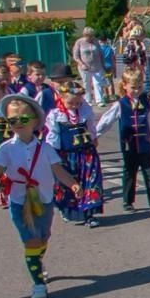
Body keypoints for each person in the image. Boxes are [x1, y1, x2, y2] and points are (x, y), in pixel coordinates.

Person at [0, 93, 79, 298]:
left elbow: (58, 171)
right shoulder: (6, 149)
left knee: (43, 237)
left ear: (34, 121)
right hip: (19, 201)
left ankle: (37, 262)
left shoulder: (46, 148)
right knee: (30, 240)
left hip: (44, 199)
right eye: (12, 121)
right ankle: (38, 284)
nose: (17, 124)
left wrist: (74, 184)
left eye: (22, 119)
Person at [95, 66, 150, 214]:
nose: (137, 90)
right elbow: (106, 121)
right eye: (133, 87)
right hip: (129, 145)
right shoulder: (120, 104)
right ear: (124, 85)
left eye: (139, 87)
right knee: (129, 173)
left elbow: (149, 122)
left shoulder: (146, 102)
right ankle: (128, 201)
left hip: (145, 145)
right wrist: (94, 136)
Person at [45, 64, 104, 227]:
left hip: (87, 153)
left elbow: (91, 126)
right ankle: (69, 210)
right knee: (69, 183)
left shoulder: (85, 110)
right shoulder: (56, 115)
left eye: (78, 102)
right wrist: (53, 153)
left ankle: (90, 213)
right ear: (63, 99)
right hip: (67, 154)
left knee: (90, 182)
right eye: (71, 103)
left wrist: (94, 138)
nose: (75, 106)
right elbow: (53, 135)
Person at [73, 27, 108, 106]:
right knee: (86, 84)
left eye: (92, 36)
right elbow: (76, 56)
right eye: (89, 36)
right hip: (85, 68)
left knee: (98, 83)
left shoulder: (96, 41)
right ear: (85, 35)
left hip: (97, 66)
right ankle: (88, 100)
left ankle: (99, 100)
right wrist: (82, 64)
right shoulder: (79, 42)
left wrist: (103, 65)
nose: (91, 37)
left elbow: (101, 54)